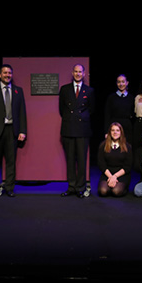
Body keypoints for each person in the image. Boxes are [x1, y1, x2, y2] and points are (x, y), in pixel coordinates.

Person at [0, 64, 27, 198]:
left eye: (9, 73)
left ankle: (9, 187)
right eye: (5, 73)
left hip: (12, 131)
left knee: (11, 162)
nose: (7, 75)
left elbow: (22, 113)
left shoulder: (18, 90)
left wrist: (22, 131)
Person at [59, 64, 96, 198]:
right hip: (68, 128)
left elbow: (91, 109)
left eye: (80, 72)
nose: (78, 74)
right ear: (72, 73)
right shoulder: (64, 89)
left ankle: (81, 187)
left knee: (81, 160)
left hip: (83, 129)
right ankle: (71, 187)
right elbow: (61, 110)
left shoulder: (89, 90)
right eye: (75, 71)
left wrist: (81, 117)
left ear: (84, 74)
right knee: (70, 160)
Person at [97, 122, 133, 197]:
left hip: (121, 174)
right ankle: (110, 185)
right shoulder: (103, 145)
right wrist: (110, 177)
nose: (115, 132)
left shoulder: (127, 146)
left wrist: (115, 176)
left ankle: (123, 187)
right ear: (110, 132)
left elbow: (128, 166)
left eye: (117, 130)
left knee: (116, 191)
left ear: (121, 132)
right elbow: (101, 164)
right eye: (113, 130)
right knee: (103, 191)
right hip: (107, 173)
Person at [103, 74, 135, 141]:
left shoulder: (131, 98)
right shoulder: (111, 98)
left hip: (127, 128)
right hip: (114, 127)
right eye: (119, 82)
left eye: (123, 82)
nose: (121, 84)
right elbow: (107, 115)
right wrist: (106, 131)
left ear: (127, 83)